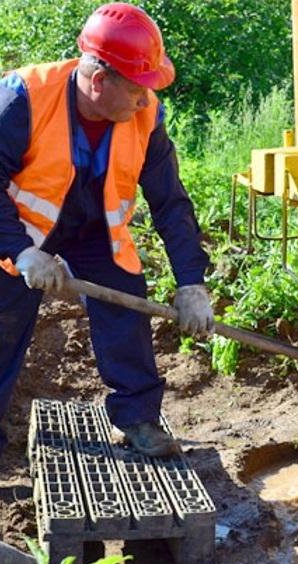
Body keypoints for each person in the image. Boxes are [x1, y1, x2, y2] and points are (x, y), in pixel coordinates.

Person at [0, 3, 214, 458]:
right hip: (20, 229)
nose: (145, 99)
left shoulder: (145, 114)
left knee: (125, 301)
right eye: (138, 89)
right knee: (2, 321)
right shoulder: (22, 99)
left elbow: (170, 202)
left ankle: (138, 418)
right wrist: (20, 251)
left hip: (93, 226)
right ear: (98, 81)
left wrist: (191, 281)